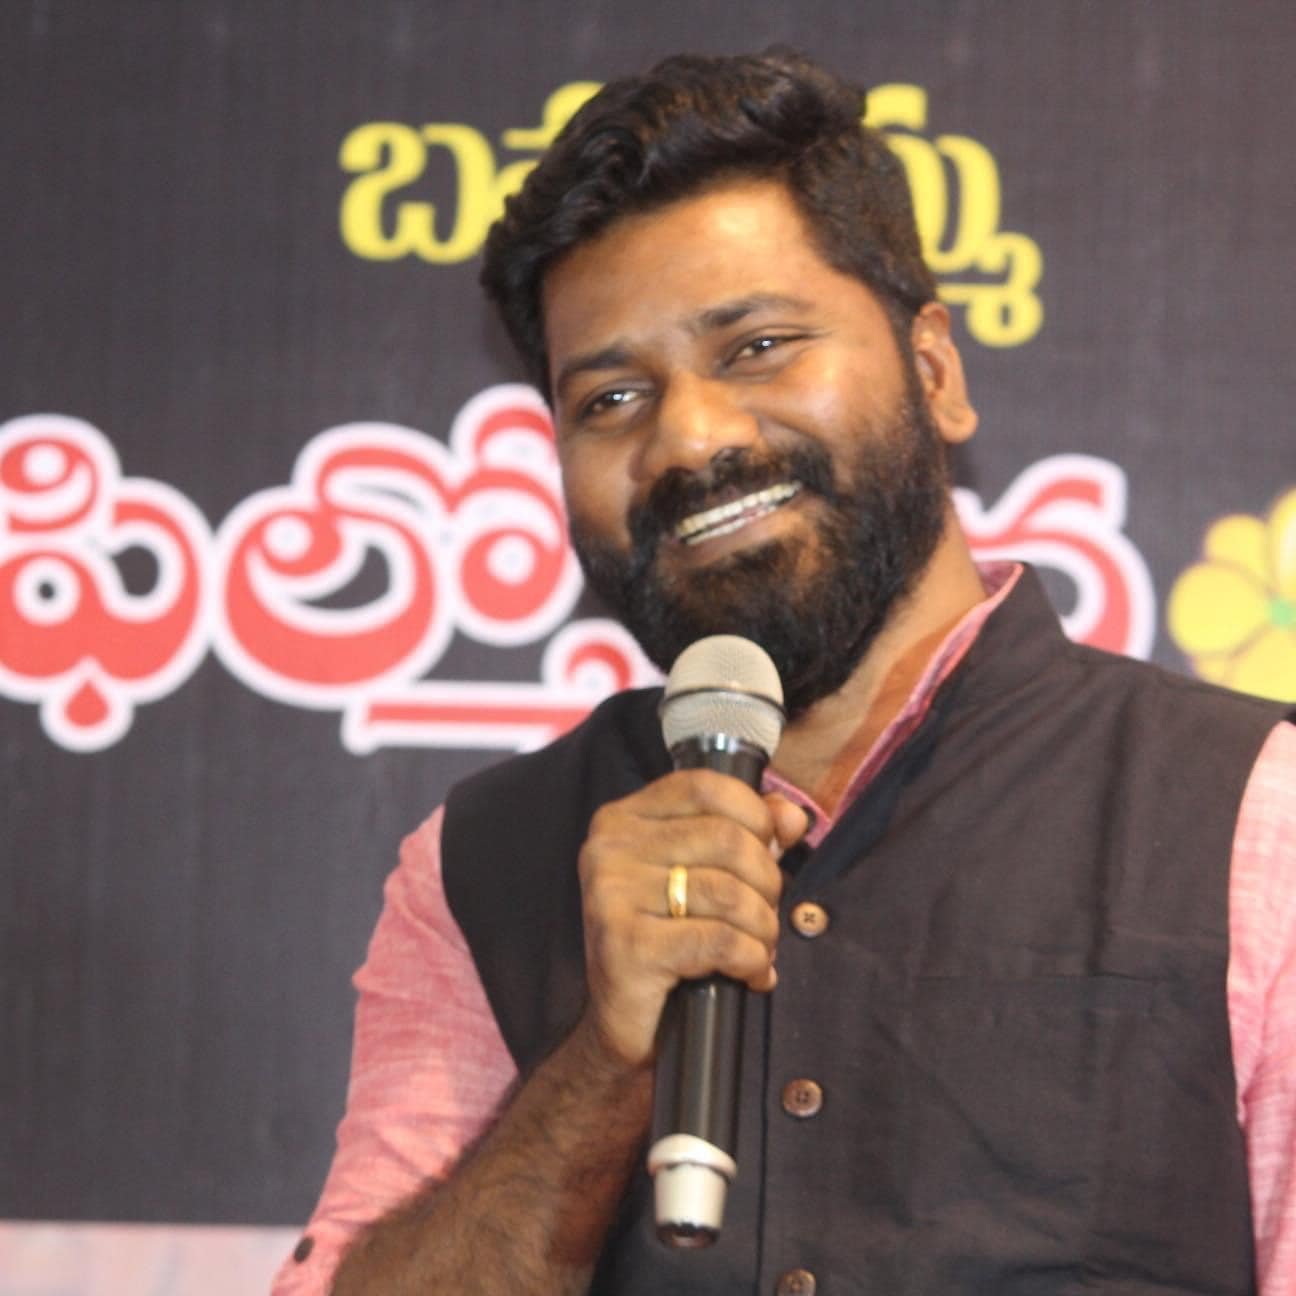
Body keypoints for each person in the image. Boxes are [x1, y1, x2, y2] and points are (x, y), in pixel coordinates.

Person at [273, 49, 1296, 1296]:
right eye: (611, 399)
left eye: (756, 345)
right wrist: (605, 1059)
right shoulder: (481, 866)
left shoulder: (1253, 814)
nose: (688, 438)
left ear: (934, 371)